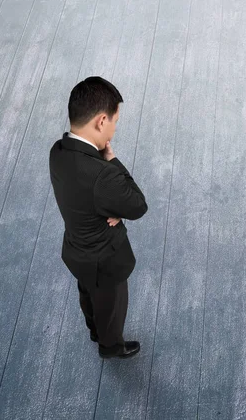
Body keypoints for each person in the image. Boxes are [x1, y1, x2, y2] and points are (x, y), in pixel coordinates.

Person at [48, 76, 148, 359]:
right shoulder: (102, 175)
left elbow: (81, 193)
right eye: (115, 122)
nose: (114, 130)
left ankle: (94, 330)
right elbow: (138, 205)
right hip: (104, 260)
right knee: (111, 307)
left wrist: (107, 205)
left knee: (88, 296)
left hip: (76, 251)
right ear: (101, 121)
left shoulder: (58, 151)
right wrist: (112, 161)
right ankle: (110, 346)